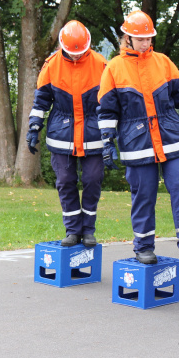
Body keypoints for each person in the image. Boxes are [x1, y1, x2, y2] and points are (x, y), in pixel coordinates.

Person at [97, 10, 179, 265]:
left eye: (149, 39)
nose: (146, 43)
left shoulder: (163, 62)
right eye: (140, 39)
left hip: (171, 139)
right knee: (144, 194)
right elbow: (107, 111)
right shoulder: (114, 68)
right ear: (127, 38)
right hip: (137, 145)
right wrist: (106, 142)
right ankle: (143, 247)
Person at [26, 20, 108, 248]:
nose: (74, 57)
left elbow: (111, 102)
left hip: (93, 134)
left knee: (93, 180)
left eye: (79, 53)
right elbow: (41, 101)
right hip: (62, 134)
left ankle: (88, 230)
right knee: (65, 181)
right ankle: (73, 230)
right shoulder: (51, 65)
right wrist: (34, 127)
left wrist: (112, 136)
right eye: (71, 53)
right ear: (62, 46)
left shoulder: (102, 64)